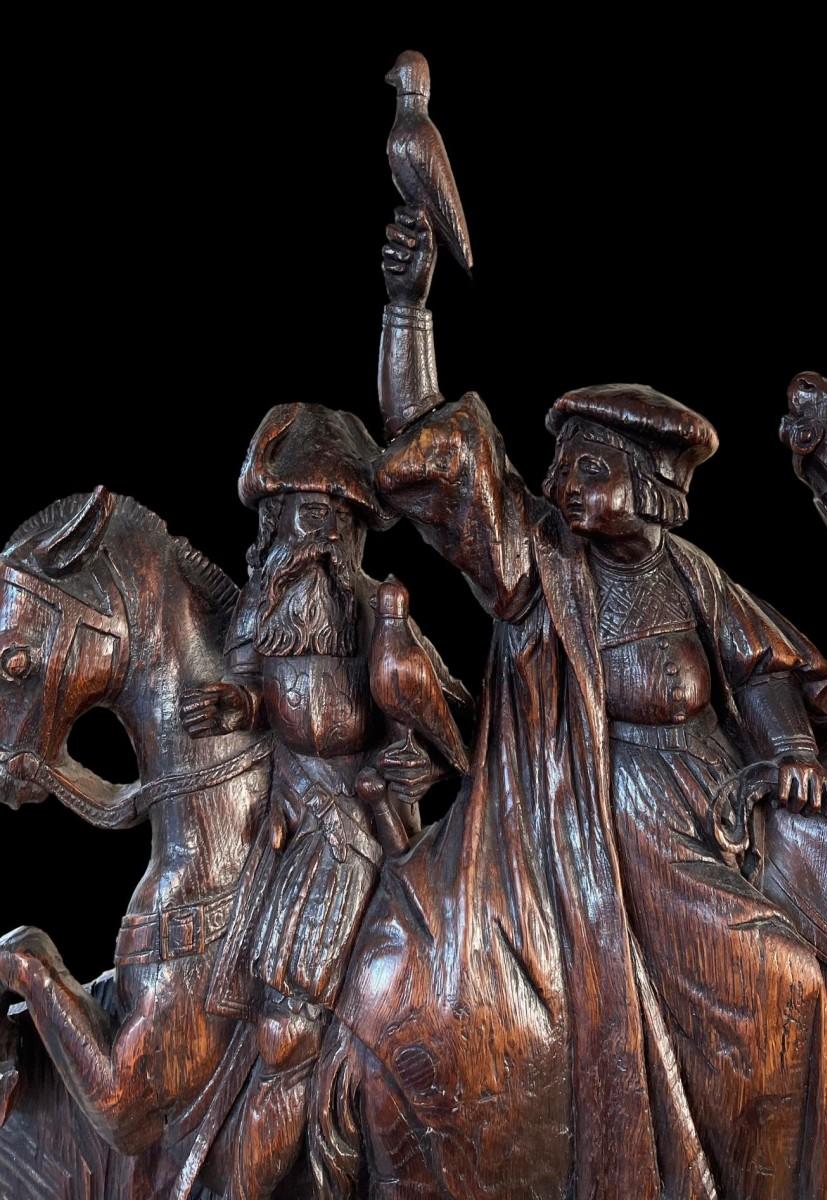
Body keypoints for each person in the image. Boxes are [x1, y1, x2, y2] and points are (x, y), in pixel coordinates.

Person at [365, 207, 827, 1198]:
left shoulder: (692, 575)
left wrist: (792, 749)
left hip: (715, 811)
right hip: (603, 818)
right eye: (561, 466)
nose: (561, 483)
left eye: (589, 468)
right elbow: (430, 442)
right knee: (785, 980)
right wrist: (406, 309)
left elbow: (761, 668)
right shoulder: (541, 566)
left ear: (652, 486)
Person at [180, 403, 468, 1200]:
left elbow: (436, 713)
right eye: (301, 516)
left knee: (287, 1027)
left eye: (333, 519)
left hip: (350, 822)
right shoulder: (262, 608)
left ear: (355, 531)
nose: (316, 536)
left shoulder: (372, 608)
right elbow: (252, 689)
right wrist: (238, 705)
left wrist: (415, 764)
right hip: (283, 814)